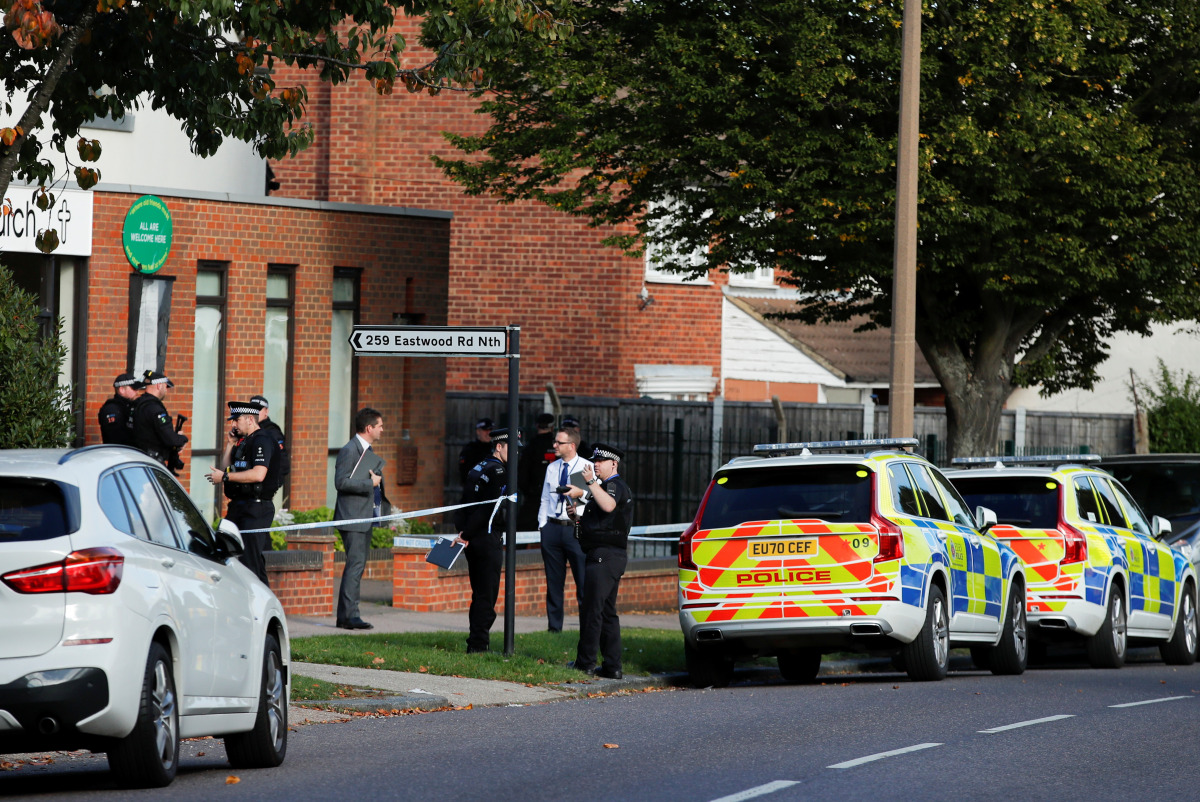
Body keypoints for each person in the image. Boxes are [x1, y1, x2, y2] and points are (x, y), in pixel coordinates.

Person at [567, 443, 634, 679]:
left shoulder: (613, 485)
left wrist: (590, 483)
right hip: (605, 556)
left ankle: (585, 663)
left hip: (605, 557)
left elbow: (608, 505)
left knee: (591, 611)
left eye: (600, 462)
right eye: (594, 461)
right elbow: (599, 518)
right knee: (606, 613)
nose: (595, 465)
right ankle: (612, 666)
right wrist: (577, 517)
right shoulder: (602, 488)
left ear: (613, 464)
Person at [207, 400, 282, 586]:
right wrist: (229, 445)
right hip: (239, 507)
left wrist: (225, 477)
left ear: (250, 419)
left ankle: (263, 607)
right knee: (227, 556)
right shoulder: (242, 442)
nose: (233, 425)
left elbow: (258, 474)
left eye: (236, 420)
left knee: (250, 562)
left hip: (255, 509)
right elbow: (226, 468)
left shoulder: (262, 440)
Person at [454, 427, 515, 653]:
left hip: (473, 539)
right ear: (499, 447)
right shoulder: (499, 472)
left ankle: (477, 642)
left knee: (479, 594)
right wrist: (467, 533)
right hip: (486, 538)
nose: (516, 454)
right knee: (486, 598)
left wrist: (463, 532)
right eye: (512, 449)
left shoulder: (478, 467)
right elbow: (486, 510)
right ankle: (478, 645)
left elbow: (462, 504)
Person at [332, 407, 389, 630]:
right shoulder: (349, 450)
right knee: (355, 565)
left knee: (358, 565)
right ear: (369, 428)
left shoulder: (367, 450)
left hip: (364, 516)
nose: (383, 430)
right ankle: (349, 616)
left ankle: (347, 615)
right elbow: (341, 482)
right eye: (380, 426)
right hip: (352, 517)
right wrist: (370, 484)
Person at [536, 427, 591, 632]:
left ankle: (586, 626)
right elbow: (544, 498)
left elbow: (594, 499)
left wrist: (580, 498)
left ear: (572, 445)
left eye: (559, 442)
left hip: (576, 529)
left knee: (583, 581)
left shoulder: (587, 468)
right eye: (555, 442)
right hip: (552, 527)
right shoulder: (552, 467)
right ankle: (554, 628)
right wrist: (543, 526)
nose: (555, 445)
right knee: (553, 582)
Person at [131, 369, 188, 472]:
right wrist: (182, 438)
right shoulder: (155, 409)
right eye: (166, 386)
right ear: (159, 385)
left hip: (136, 460)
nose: (166, 390)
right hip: (152, 464)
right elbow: (170, 439)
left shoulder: (136, 404)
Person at [518, 413, 557, 531]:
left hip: (534, 495)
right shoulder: (558, 446)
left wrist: (528, 491)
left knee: (523, 529)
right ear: (552, 427)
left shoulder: (531, 447)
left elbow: (522, 474)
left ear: (537, 426)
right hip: (555, 494)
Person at [251, 394, 290, 493]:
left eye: (258, 410)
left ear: (266, 412)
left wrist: (269, 486)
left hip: (262, 489)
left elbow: (283, 463)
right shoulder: (247, 430)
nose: (255, 413)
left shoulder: (272, 431)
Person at [98, 373, 141, 445]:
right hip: (119, 453)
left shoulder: (131, 406)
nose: (137, 392)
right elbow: (116, 438)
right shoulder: (112, 409)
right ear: (121, 390)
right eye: (134, 388)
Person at [457, 417, 493, 485]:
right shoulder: (470, 449)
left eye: (490, 430)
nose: (488, 433)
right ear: (478, 431)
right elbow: (465, 472)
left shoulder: (495, 448)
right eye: (485, 430)